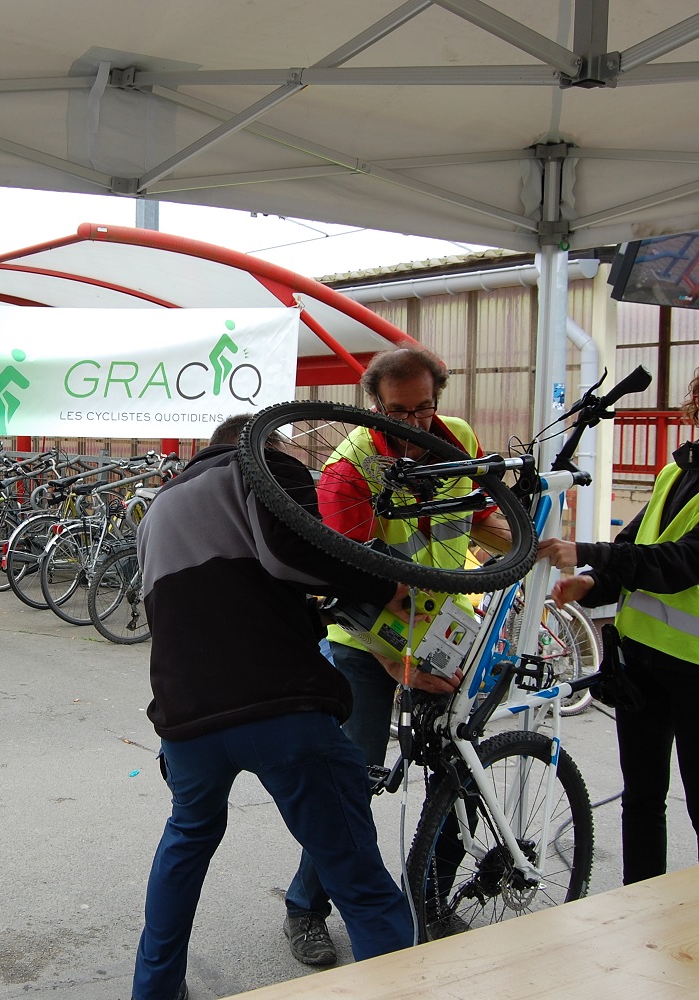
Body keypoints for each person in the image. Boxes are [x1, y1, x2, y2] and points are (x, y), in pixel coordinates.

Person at [130, 414, 456, 1000]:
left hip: (187, 720)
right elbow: (293, 558)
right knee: (359, 879)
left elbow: (211, 602)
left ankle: (153, 991)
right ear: (262, 444)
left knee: (186, 843)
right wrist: (385, 584)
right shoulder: (262, 466)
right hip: (280, 707)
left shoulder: (157, 511)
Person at [282, 347, 510, 964]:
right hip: (368, 646)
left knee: (458, 770)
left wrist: (527, 544)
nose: (413, 427)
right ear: (374, 407)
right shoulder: (345, 471)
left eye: (425, 409)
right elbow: (343, 584)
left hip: (445, 633)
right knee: (349, 782)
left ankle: (433, 898)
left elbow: (482, 517)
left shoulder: (454, 437)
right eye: (397, 412)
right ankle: (305, 908)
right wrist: (396, 666)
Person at [538, 349, 699, 884]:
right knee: (642, 801)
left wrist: (588, 553)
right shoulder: (679, 470)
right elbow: (638, 548)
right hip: (641, 662)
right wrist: (592, 582)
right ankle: (640, 912)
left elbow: (683, 564)